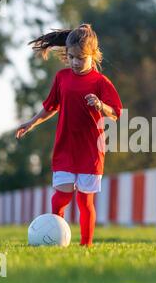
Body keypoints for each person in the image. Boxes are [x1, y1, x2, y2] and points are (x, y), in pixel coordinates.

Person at [15, 23, 123, 247]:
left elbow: (116, 113)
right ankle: (55, 239)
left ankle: (86, 245)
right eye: (71, 57)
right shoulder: (62, 78)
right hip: (65, 147)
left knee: (85, 202)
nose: (75, 62)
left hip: (91, 151)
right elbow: (50, 107)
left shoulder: (101, 83)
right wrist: (32, 123)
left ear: (93, 54)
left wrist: (101, 105)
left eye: (80, 58)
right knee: (62, 197)